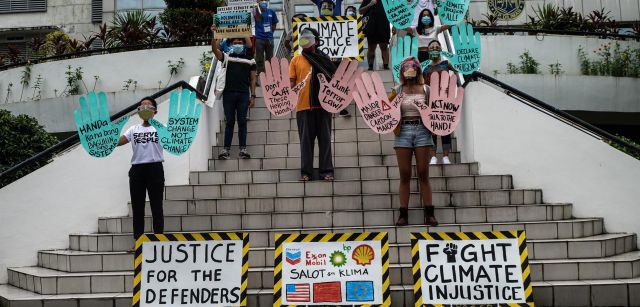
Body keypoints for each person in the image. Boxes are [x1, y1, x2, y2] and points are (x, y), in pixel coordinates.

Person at [393, 57, 438, 226]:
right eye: (406, 68)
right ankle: (403, 214)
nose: (410, 70)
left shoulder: (426, 89)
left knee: (423, 173)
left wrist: (435, 127)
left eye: (413, 67)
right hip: (403, 130)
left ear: (418, 70)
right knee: (404, 174)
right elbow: (388, 111)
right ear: (403, 72)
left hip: (422, 130)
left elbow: (435, 110)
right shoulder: (397, 90)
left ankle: (429, 213)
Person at [289, 28, 337, 181]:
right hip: (303, 107)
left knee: (325, 141)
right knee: (306, 143)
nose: (305, 42)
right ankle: (306, 172)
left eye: (308, 39)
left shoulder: (325, 59)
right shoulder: (295, 60)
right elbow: (291, 82)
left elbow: (334, 80)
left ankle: (326, 171)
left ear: (316, 41)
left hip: (324, 107)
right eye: (302, 39)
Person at [117, 97, 165, 239]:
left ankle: (159, 239)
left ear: (155, 111)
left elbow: (174, 139)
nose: (144, 108)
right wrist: (107, 138)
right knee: (137, 208)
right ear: (138, 111)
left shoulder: (161, 128)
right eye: (141, 106)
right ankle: (138, 240)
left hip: (155, 169)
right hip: (137, 171)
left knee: (157, 206)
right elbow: (120, 141)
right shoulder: (133, 129)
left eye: (148, 105)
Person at [211, 25, 257, 159]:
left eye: (240, 42)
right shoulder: (226, 57)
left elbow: (253, 78)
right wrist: (215, 35)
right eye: (235, 43)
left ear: (244, 44)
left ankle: (243, 149)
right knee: (229, 122)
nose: (238, 44)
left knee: (242, 122)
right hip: (229, 94)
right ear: (230, 45)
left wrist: (253, 95)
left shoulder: (250, 59)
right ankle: (226, 150)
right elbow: (215, 50)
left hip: (243, 94)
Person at [423, 39, 456, 164]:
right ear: (428, 50)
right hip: (430, 101)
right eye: (432, 47)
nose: (434, 49)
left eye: (437, 47)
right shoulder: (425, 67)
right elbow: (421, 84)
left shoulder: (446, 64)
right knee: (432, 128)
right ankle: (433, 156)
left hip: (446, 100)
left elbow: (458, 71)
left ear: (441, 49)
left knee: (445, 127)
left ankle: (446, 156)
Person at [359, 0, 390, 71]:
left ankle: (386, 66)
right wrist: (369, 4)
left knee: (384, 47)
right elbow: (360, 11)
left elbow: (393, 12)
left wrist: (394, 25)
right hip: (371, 26)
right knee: (371, 47)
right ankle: (370, 66)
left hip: (384, 25)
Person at [254, 0, 279, 76]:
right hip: (259, 38)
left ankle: (270, 75)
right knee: (259, 59)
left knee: (270, 58)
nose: (263, 2)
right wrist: (257, 7)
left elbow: (274, 24)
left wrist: (270, 33)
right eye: (261, 1)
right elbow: (258, 19)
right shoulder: (255, 12)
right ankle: (261, 74)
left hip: (269, 39)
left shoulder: (271, 11)